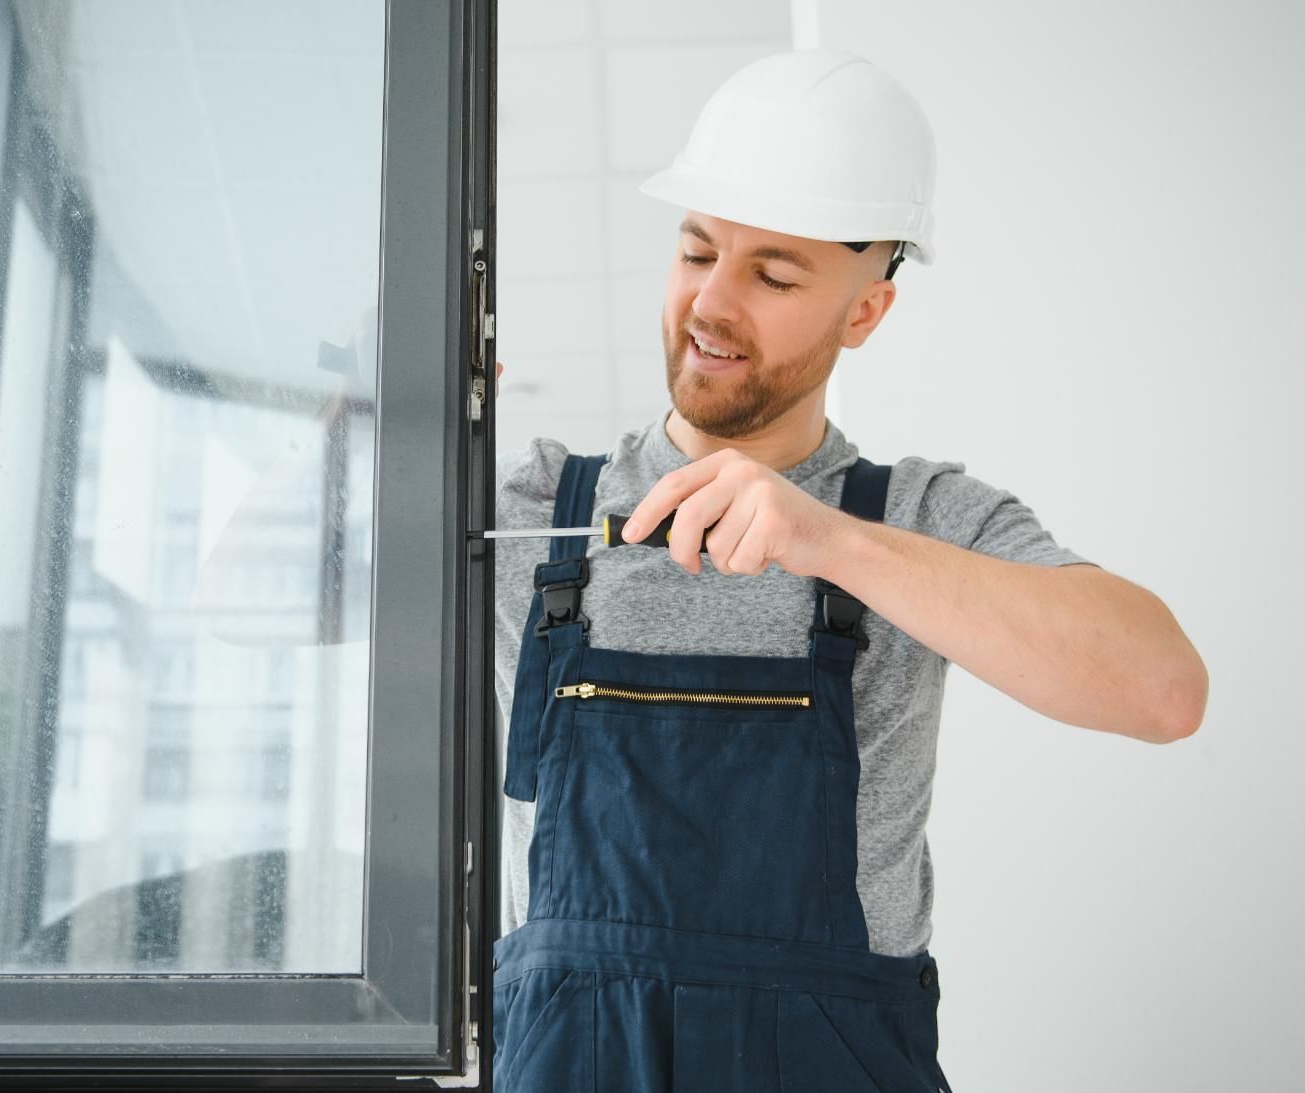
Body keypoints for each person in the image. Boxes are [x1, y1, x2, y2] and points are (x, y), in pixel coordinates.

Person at [489, 48, 1207, 1090]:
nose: (710, 303)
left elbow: (1162, 689)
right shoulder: (541, 512)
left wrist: (828, 541)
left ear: (863, 312)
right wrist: (378, 419)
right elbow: (254, 594)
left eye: (773, 274)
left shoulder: (916, 518)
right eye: (695, 253)